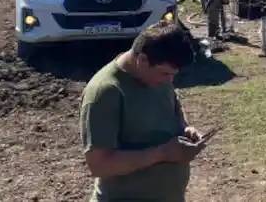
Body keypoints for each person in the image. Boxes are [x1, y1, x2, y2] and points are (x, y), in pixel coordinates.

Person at [80, 22, 204, 202]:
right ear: (142, 60)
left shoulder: (157, 77)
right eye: (165, 74)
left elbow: (173, 109)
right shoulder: (105, 92)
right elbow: (100, 165)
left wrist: (185, 129)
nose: (170, 80)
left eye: (173, 75)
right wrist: (163, 153)